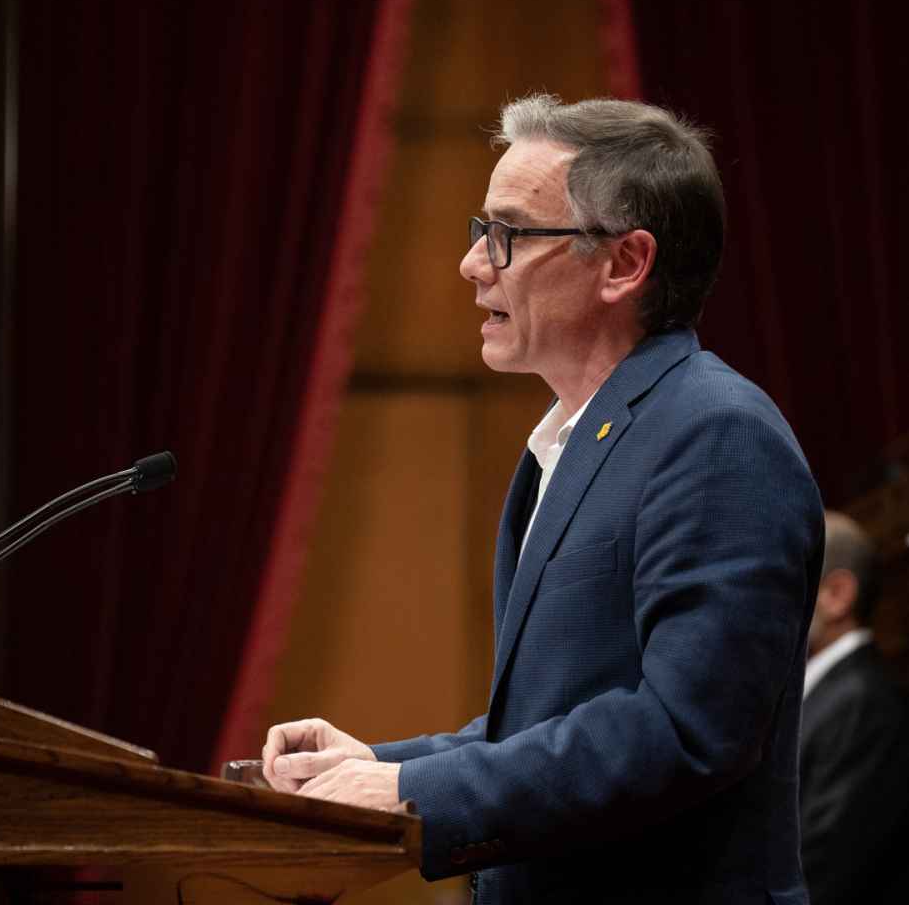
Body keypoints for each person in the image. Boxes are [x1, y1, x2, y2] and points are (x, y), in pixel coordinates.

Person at [261, 95, 824, 903]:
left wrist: (420, 796)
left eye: (509, 234)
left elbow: (684, 730)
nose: (473, 263)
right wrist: (379, 766)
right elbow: (553, 722)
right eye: (479, 230)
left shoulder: (717, 437)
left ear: (624, 264)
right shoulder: (576, 436)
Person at [800, 511, 909, 902]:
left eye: (784, 576)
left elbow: (822, 869)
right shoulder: (830, 692)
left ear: (837, 595)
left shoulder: (863, 702)